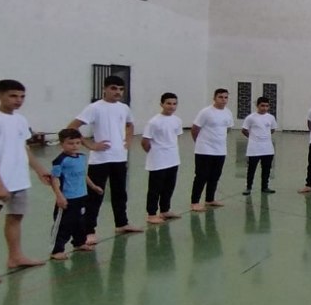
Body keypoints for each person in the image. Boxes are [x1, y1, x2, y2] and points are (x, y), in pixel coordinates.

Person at [0, 79, 53, 283]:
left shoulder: (20, 120)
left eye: (22, 96)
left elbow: (23, 148)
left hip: (18, 179)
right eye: (13, 96)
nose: (18, 100)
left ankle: (15, 257)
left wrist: (39, 169)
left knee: (16, 217)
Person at [68, 75, 141, 243]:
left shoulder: (124, 108)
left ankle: (122, 223)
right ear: (105, 89)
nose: (118, 92)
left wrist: (128, 140)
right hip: (100, 159)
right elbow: (72, 127)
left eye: (121, 89)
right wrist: (90, 145)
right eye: (114, 88)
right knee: (95, 195)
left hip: (119, 157)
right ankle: (89, 230)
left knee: (120, 192)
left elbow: (130, 124)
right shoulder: (94, 108)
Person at [50, 127, 104, 258]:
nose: (75, 146)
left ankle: (79, 243)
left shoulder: (81, 157)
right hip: (68, 197)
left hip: (81, 196)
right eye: (70, 143)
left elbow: (83, 174)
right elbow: (54, 179)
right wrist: (59, 196)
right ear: (62, 144)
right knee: (64, 224)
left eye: (78, 143)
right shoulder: (60, 161)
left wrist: (93, 186)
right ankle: (57, 250)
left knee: (79, 222)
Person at [141, 92, 184, 225]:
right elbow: (145, 141)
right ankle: (151, 214)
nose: (171, 106)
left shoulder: (177, 120)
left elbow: (177, 136)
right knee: (155, 188)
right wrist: (155, 152)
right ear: (162, 104)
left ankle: (165, 210)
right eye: (168, 103)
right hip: (158, 159)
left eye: (174, 104)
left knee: (169, 186)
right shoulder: (154, 122)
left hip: (173, 158)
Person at [190, 88, 234, 211]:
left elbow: (228, 128)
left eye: (225, 97)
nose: (223, 100)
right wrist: (199, 142)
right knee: (201, 176)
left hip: (220, 150)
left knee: (215, 175)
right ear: (214, 98)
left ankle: (210, 199)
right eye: (220, 97)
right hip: (204, 150)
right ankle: (195, 202)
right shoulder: (206, 112)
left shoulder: (228, 113)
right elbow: (195, 129)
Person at [241, 97, 278, 195]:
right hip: (254, 148)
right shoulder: (251, 118)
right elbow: (244, 130)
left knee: (266, 169)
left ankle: (265, 187)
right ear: (257, 106)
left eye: (266, 106)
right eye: (262, 106)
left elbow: (272, 130)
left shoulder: (271, 117)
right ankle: (249, 187)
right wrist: (253, 138)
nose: (264, 108)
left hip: (267, 148)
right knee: (251, 169)